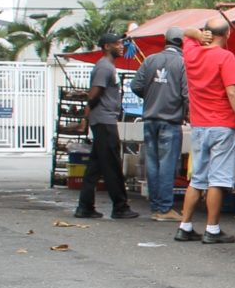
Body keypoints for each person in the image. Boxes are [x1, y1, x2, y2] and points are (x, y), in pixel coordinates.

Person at [174, 18, 235, 245]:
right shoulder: (225, 57)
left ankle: (185, 226)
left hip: (199, 125)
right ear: (227, 35)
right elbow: (233, 93)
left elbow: (183, 31)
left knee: (197, 178)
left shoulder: (192, 53)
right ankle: (212, 229)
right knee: (217, 179)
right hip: (222, 125)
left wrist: (197, 35)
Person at [74, 33, 139, 220]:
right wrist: (86, 118)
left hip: (103, 120)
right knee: (112, 165)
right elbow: (94, 94)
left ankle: (85, 206)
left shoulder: (108, 66)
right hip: (104, 121)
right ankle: (120, 206)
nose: (121, 47)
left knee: (95, 165)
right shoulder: (104, 67)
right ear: (106, 46)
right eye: (117, 44)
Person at [130, 26, 188, 222]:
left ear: (167, 40)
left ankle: (156, 207)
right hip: (170, 120)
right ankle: (164, 209)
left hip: (150, 119)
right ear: (182, 42)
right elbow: (187, 94)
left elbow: (135, 86)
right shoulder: (182, 63)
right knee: (167, 165)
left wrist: (152, 96)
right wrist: (188, 113)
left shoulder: (150, 60)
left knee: (152, 164)